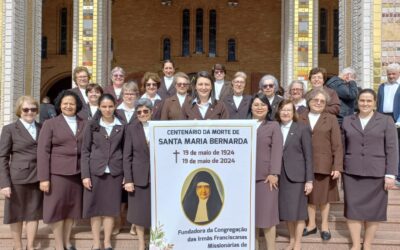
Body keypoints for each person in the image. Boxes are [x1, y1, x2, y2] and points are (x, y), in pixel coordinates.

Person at [342, 89, 398, 250]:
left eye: (369, 101)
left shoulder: (386, 121)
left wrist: (391, 174)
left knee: (374, 211)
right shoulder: (347, 120)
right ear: (357, 102)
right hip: (352, 173)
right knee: (352, 209)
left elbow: (392, 148)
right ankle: (354, 244)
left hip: (377, 173)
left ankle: (367, 244)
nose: (365, 104)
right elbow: (342, 147)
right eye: (362, 100)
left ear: (375, 103)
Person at [37, 90, 86, 250]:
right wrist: (44, 178)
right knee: (57, 210)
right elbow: (43, 152)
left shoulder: (83, 123)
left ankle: (67, 241)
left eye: (71, 103)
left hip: (77, 173)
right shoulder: (50, 124)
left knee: (72, 209)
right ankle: (59, 244)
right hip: (57, 174)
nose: (68, 106)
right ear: (59, 105)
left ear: (77, 105)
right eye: (65, 103)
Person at [81, 94, 124, 250]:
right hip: (95, 172)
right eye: (104, 106)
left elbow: (125, 151)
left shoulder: (121, 125)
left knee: (110, 209)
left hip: (115, 172)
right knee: (95, 209)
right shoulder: (92, 125)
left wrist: (125, 175)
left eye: (110, 106)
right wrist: (85, 175)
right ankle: (96, 242)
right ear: (99, 107)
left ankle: (106, 242)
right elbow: (85, 151)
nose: (107, 109)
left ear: (115, 107)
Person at [298, 88, 343, 241]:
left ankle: (324, 225)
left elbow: (337, 145)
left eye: (322, 101)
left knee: (324, 197)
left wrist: (337, 166)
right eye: (315, 100)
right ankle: (311, 225)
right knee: (309, 196)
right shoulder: (300, 117)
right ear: (309, 101)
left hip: (324, 164)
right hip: (303, 164)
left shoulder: (330, 118)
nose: (318, 103)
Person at [0, 96, 43, 250]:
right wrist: (4, 183)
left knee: (34, 213)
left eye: (33, 109)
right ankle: (17, 246)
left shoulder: (43, 127)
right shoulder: (9, 129)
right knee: (16, 214)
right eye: (25, 109)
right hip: (17, 178)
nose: (29, 112)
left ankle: (30, 246)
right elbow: (2, 157)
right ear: (19, 111)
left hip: (38, 177)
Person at [276, 100, 313, 250]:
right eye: (283, 110)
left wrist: (309, 180)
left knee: (298, 211)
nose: (285, 113)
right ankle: (291, 240)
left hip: (297, 176)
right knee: (287, 211)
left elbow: (309, 156)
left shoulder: (302, 128)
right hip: (280, 176)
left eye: (289, 110)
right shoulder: (274, 127)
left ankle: (297, 243)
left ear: (293, 113)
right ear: (279, 112)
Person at [251, 93, 283, 250]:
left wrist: (274, 173)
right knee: (251, 219)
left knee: (268, 218)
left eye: (263, 105)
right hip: (247, 178)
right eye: (256, 104)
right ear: (251, 107)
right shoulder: (244, 125)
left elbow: (277, 151)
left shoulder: (274, 126)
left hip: (266, 178)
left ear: (268, 108)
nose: (259, 107)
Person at [123, 98, 154, 250]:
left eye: (145, 111)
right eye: (139, 112)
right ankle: (142, 244)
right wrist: (128, 179)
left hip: (157, 177)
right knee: (139, 213)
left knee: (155, 212)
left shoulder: (159, 127)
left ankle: (155, 242)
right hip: (138, 177)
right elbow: (127, 156)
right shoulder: (131, 128)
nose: (142, 114)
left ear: (151, 112)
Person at [376, 63, 400, 188]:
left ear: (398, 73)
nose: (391, 76)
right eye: (389, 74)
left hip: (398, 119)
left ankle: (398, 176)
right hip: (384, 118)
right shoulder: (382, 86)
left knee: (397, 147)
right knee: (383, 145)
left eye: (393, 74)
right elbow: (378, 102)